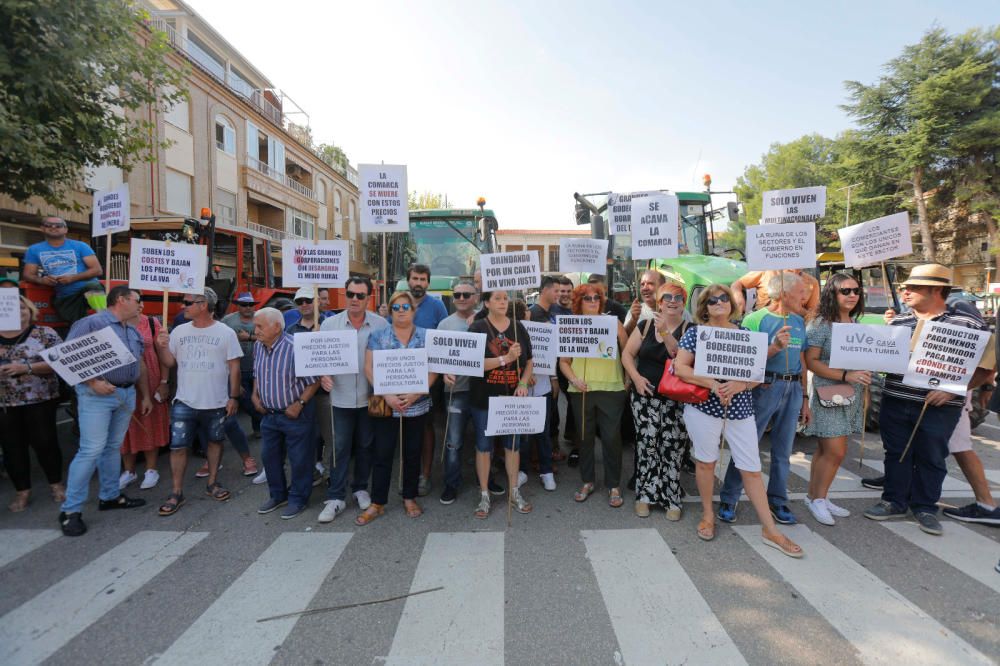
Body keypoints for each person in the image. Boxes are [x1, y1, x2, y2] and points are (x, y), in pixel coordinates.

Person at [673, 284, 803, 557]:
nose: (718, 302)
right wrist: (712, 384)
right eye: (712, 300)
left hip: (740, 409)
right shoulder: (696, 333)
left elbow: (756, 375)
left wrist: (738, 385)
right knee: (706, 463)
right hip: (703, 408)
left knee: (751, 468)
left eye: (723, 298)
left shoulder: (746, 334)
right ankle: (708, 515)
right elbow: (680, 367)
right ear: (704, 307)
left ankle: (770, 529)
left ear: (731, 304)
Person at [863, 264, 993, 536]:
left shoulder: (967, 324)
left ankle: (924, 507)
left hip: (941, 406)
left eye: (913, 287)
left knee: (932, 456)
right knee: (895, 452)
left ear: (936, 290)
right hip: (896, 399)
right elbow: (881, 360)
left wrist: (952, 389)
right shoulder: (899, 322)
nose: (905, 291)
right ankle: (893, 501)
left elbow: (986, 368)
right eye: (905, 287)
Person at [718, 273, 811, 525]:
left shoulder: (799, 321)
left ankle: (777, 500)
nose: (806, 296)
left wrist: (804, 396)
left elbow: (801, 360)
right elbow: (745, 361)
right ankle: (729, 497)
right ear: (784, 293)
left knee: (783, 450)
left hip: (792, 389)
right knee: (747, 446)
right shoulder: (755, 319)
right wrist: (774, 347)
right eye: (802, 291)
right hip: (764, 387)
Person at [57, 286, 151, 537]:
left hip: (125, 394)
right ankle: (70, 511)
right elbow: (67, 357)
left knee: (111, 447)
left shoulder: (131, 330)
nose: (141, 305)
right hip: (96, 396)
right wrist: (92, 382)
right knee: (91, 449)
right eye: (137, 300)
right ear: (121, 300)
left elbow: (139, 365)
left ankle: (109, 496)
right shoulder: (91, 323)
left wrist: (144, 395)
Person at [154, 287, 243, 516]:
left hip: (216, 401)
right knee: (178, 447)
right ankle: (176, 492)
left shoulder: (226, 333)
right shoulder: (179, 331)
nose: (183, 306)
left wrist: (233, 397)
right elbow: (169, 362)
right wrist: (160, 345)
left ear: (203, 305)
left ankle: (212, 482)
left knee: (215, 442)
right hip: (184, 400)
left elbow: (234, 368)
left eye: (187, 302)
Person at [357, 291, 437, 525]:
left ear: (414, 311)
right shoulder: (378, 336)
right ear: (390, 311)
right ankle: (378, 501)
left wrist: (416, 393)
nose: (401, 311)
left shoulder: (426, 336)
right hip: (386, 404)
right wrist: (388, 395)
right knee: (382, 453)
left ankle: (409, 496)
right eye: (396, 308)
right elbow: (369, 368)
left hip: (416, 404)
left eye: (405, 307)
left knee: (412, 452)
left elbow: (434, 369)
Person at [802, 273, 871, 525]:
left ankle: (817, 496)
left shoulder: (855, 324)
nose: (852, 295)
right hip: (829, 394)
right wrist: (845, 374)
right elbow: (810, 362)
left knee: (825, 451)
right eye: (846, 291)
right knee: (836, 451)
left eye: (856, 290)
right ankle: (817, 499)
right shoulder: (821, 324)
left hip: (852, 395)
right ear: (833, 293)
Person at [317, 276, 386, 522]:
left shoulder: (380, 324)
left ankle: (360, 488)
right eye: (350, 294)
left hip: (372, 397)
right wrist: (323, 375)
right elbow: (319, 358)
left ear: (369, 298)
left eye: (360, 295)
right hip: (340, 397)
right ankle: (336, 496)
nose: (354, 299)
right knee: (339, 447)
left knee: (366, 445)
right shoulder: (329, 325)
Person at [621, 281, 691, 520]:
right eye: (667, 297)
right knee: (647, 446)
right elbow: (627, 355)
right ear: (659, 303)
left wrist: (665, 333)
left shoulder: (692, 329)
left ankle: (671, 497)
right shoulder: (645, 324)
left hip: (676, 399)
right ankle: (645, 495)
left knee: (672, 448)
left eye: (678, 297)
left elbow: (679, 356)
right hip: (645, 398)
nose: (672, 301)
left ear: (684, 303)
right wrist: (637, 378)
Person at [558, 283, 629, 507]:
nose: (592, 301)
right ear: (579, 301)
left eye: (596, 297)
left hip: (611, 389)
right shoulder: (571, 325)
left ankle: (613, 484)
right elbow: (564, 362)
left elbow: (628, 353)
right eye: (587, 298)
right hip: (581, 390)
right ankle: (587, 480)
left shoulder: (614, 323)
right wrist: (573, 379)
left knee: (611, 438)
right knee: (584, 438)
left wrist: (627, 381)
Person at [468, 289, 534, 518]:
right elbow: (473, 362)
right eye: (497, 298)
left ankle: (514, 492)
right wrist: (506, 358)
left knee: (512, 446)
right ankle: (484, 495)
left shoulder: (519, 327)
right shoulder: (477, 328)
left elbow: (530, 362)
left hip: (511, 399)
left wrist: (523, 383)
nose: (503, 302)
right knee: (484, 447)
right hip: (483, 398)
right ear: (486, 302)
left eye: (505, 298)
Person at [251, 307, 321, 520]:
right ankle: (278, 495)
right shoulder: (258, 346)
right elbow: (257, 373)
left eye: (260, 326)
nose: (256, 331)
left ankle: (298, 498)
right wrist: (255, 395)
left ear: (277, 327)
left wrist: (300, 403)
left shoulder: (295, 348)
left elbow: (314, 380)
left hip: (294, 415)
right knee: (269, 457)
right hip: (269, 415)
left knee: (300, 459)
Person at [1, 296, 64, 512]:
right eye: (11, 308)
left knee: (46, 442)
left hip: (40, 399)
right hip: (5, 403)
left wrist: (26, 368)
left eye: (21, 307)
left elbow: (61, 362)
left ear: (30, 309)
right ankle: (22, 492)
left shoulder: (45, 333)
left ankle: (56, 485)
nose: (18, 311)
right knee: (12, 448)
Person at [118, 297, 171, 491]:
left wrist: (164, 382)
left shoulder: (152, 322)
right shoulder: (113, 324)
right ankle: (128, 471)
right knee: (125, 426)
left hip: (151, 379)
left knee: (150, 423)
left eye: (140, 300)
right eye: (134, 300)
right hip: (123, 382)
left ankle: (151, 469)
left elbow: (162, 354)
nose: (139, 304)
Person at [404, 264, 447, 496]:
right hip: (399, 373)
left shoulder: (437, 306)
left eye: (422, 279)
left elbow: (444, 337)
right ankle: (407, 473)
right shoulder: (399, 301)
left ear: (428, 283)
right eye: (414, 278)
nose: (418, 283)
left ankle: (425, 475)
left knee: (426, 425)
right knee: (402, 425)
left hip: (428, 375)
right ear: (408, 281)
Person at [438, 279, 481, 504]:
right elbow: (437, 356)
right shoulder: (445, 324)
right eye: (457, 295)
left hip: (483, 390)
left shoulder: (485, 319)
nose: (461, 299)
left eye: (466, 294)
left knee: (485, 440)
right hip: (457, 391)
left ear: (476, 297)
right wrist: (444, 372)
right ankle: (451, 483)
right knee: (453, 441)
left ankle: (485, 480)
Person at [22, 216, 104, 324]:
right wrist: (42, 280)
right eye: (48, 225)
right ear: (42, 228)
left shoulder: (80, 246)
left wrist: (73, 278)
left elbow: (97, 270)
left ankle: (104, 317)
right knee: (77, 327)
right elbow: (28, 275)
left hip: (87, 290)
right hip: (65, 297)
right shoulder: (34, 250)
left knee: (94, 287)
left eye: (58, 225)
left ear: (65, 229)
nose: (53, 227)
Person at [222, 293, 262, 439]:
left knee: (259, 399)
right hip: (237, 369)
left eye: (251, 304)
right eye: (244, 304)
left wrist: (249, 337)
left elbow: (271, 337)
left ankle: (259, 430)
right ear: (238, 305)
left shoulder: (260, 318)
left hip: (259, 368)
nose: (248, 308)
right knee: (246, 401)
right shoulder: (227, 321)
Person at [730, 268, 820, 316]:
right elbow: (737, 284)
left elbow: (812, 315)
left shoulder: (812, 282)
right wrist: (738, 297)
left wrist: (795, 308)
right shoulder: (767, 271)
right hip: (762, 322)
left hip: (793, 328)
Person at [624, 270, 666, 335]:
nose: (645, 288)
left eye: (650, 284)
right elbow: (624, 337)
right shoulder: (635, 311)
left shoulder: (678, 312)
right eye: (642, 284)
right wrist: (633, 320)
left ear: (663, 287)